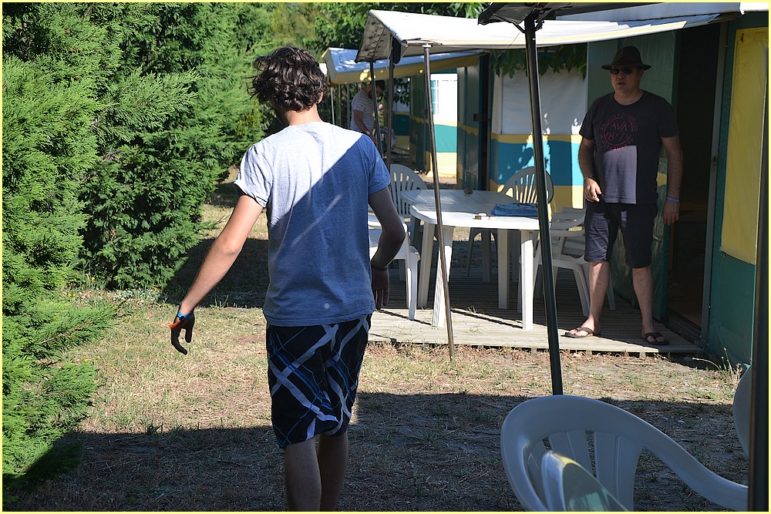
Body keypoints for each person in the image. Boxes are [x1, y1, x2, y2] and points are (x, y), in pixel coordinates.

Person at [168, 46, 405, 510]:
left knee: (298, 432)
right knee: (336, 422)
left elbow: (230, 243)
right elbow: (394, 232)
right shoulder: (360, 148)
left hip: (295, 319)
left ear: (271, 99)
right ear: (320, 90)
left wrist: (188, 304)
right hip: (352, 312)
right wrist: (377, 267)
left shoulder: (265, 154)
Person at [564, 46, 683, 346]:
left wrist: (673, 197)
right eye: (615, 71)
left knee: (640, 263)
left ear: (640, 74)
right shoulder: (600, 106)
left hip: (638, 200)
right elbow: (585, 149)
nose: (619, 76)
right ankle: (592, 321)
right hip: (600, 199)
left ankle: (647, 326)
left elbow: (675, 153)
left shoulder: (657, 108)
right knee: (597, 259)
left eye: (627, 71)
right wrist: (589, 178)